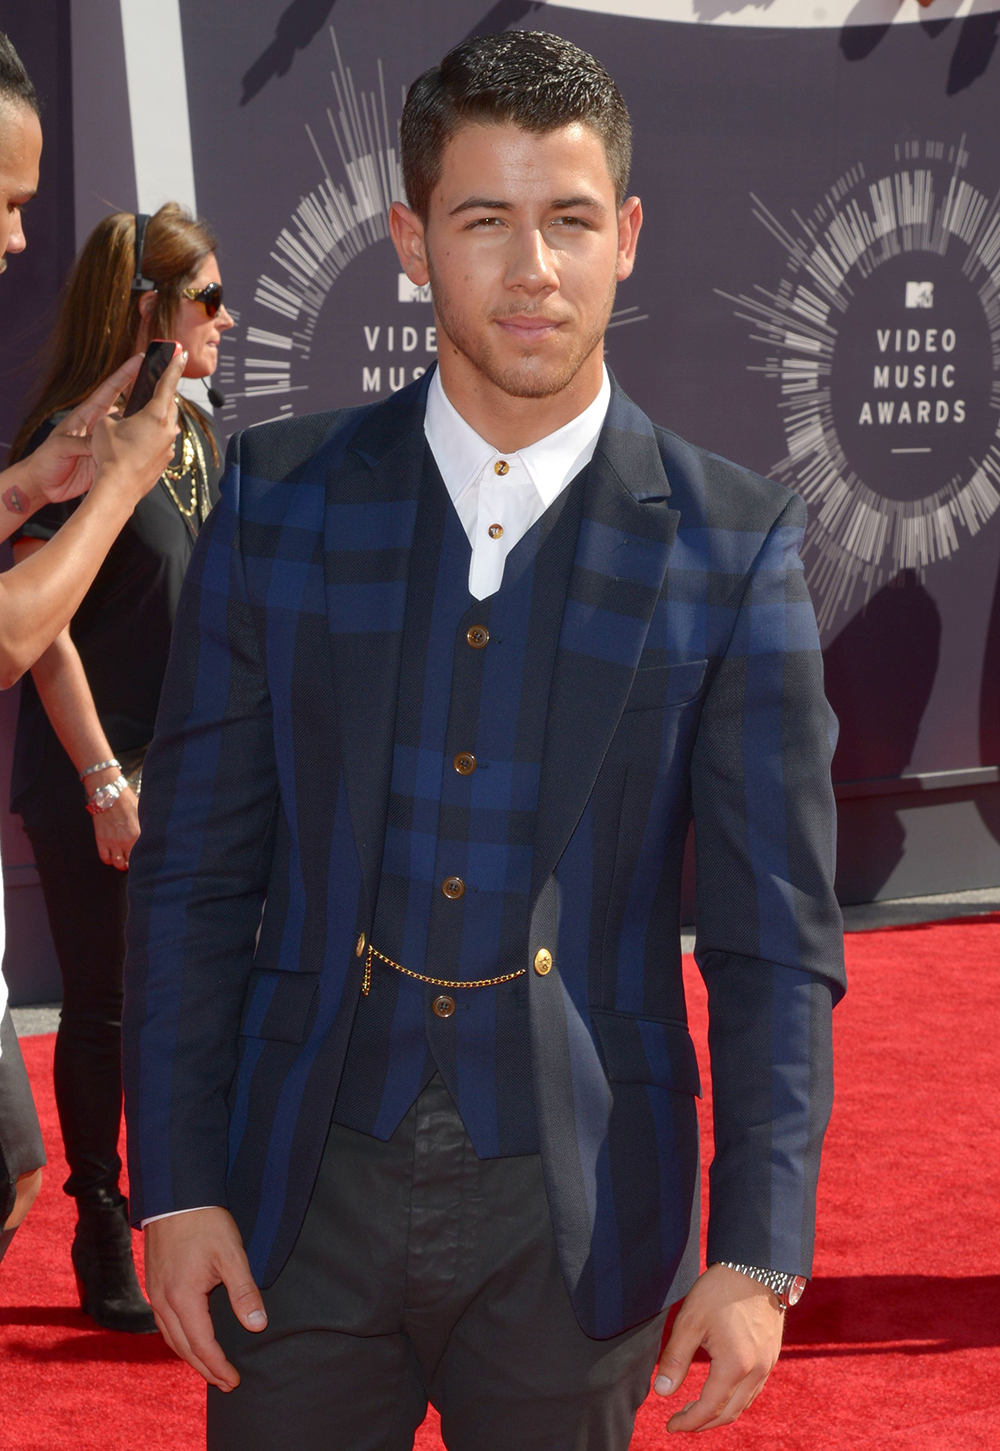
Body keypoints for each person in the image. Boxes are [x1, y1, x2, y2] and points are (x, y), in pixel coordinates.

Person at [124, 30, 846, 1449]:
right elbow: (195, 873)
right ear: (410, 238)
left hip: (579, 1214)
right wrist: (175, 1180)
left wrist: (761, 1248)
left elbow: (774, 935)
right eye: (484, 220)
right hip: (299, 1191)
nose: (534, 268)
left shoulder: (730, 540)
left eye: (571, 219)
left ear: (626, 236)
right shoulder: (281, 501)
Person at [7, 201, 232, 1331]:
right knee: (101, 1006)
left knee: (184, 1004)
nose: (225, 321)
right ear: (151, 311)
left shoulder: (190, 436)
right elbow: (35, 630)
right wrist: (105, 777)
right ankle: (100, 1219)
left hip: (185, 771)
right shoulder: (74, 435)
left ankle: (172, 1209)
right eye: (208, 299)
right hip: (91, 767)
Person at [0, 28, 184, 1271]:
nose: (19, 235)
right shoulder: (135, 454)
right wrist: (109, 486)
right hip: (89, 793)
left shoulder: (206, 437)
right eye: (5, 199)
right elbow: (20, 633)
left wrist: (23, 486)